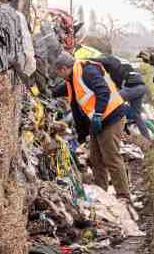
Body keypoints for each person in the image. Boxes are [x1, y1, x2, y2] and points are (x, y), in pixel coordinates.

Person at [52, 52, 131, 199]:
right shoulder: (73, 77)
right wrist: (46, 92)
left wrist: (98, 114)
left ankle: (123, 196)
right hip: (99, 121)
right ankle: (101, 192)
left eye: (58, 72)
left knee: (111, 157)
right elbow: (63, 90)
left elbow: (103, 91)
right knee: (96, 158)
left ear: (63, 68)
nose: (58, 75)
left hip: (111, 117)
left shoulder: (87, 70)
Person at [97, 55, 152, 140]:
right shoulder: (123, 64)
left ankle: (115, 136)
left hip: (132, 88)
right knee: (136, 115)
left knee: (110, 101)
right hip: (141, 88)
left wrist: (81, 61)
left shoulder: (112, 62)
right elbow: (118, 86)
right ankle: (147, 139)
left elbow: (99, 60)